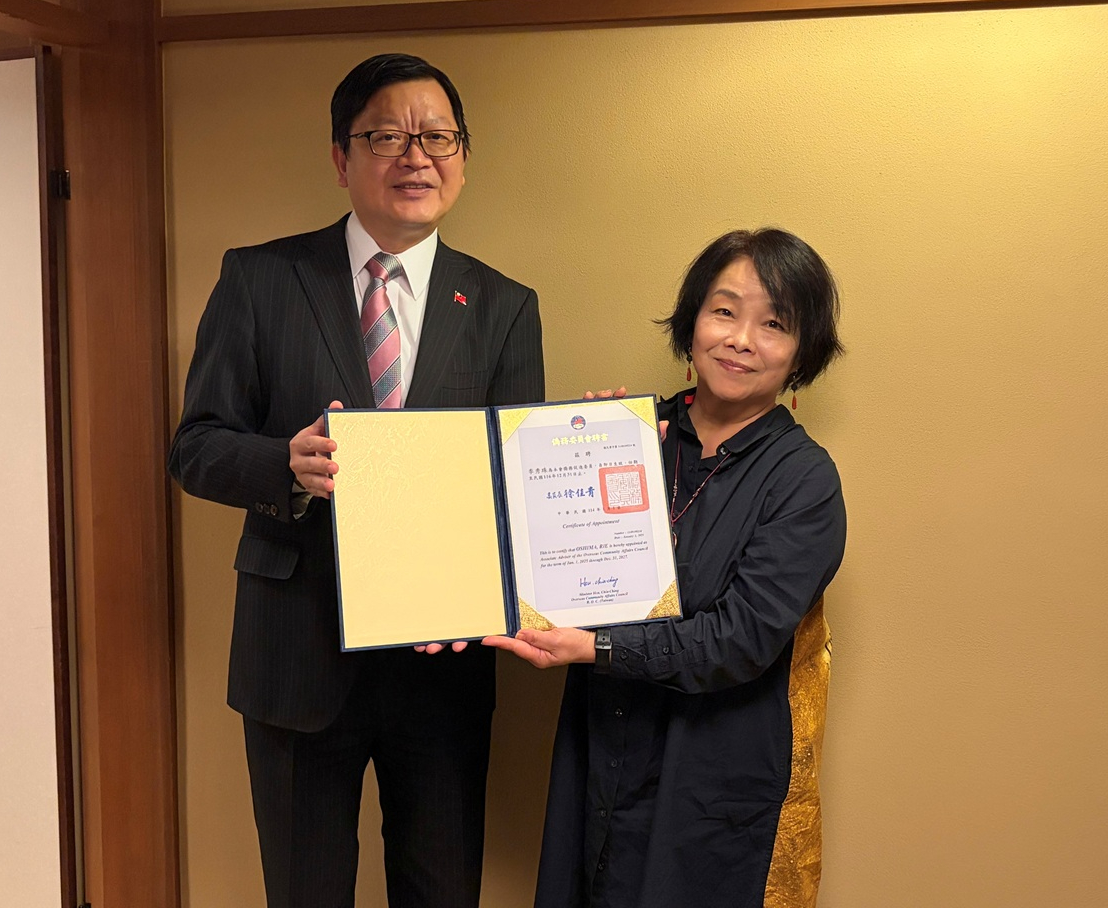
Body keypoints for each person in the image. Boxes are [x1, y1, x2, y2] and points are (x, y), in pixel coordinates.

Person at [168, 53, 544, 908]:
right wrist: (283, 463)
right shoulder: (260, 278)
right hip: (295, 653)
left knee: (440, 889)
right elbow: (195, 446)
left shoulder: (503, 305)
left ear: (463, 156)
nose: (417, 157)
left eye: (438, 137)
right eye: (387, 137)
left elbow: (514, 484)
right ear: (342, 157)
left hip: (443, 664)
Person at [484, 228, 846, 907]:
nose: (741, 339)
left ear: (803, 353)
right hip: (601, 747)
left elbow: (740, 639)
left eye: (774, 324)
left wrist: (597, 648)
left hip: (707, 778)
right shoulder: (626, 433)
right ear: (692, 321)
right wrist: (573, 459)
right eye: (724, 311)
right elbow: (534, 553)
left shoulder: (804, 481)